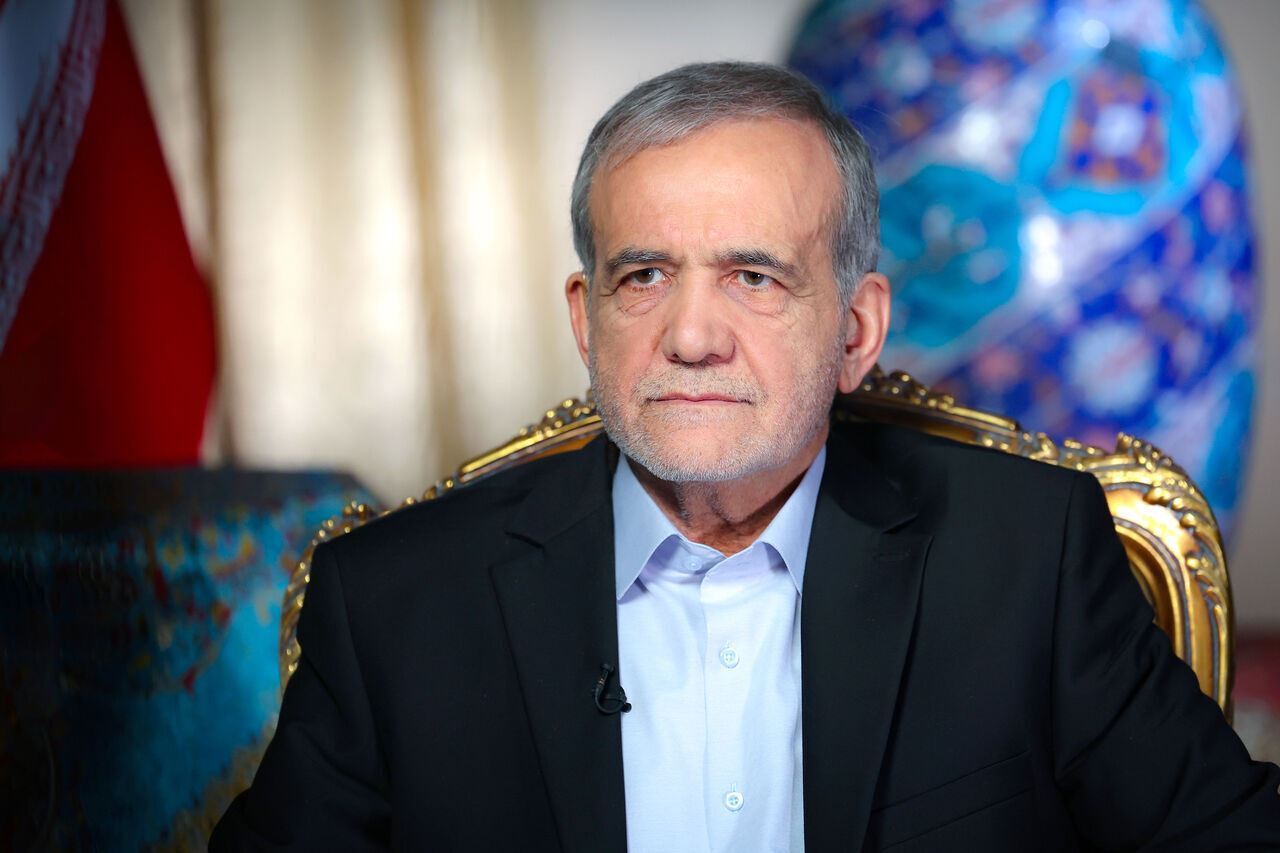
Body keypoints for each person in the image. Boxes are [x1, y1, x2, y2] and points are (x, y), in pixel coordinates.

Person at [212, 62, 1280, 851]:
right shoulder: (393, 603)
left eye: (753, 277)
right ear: (585, 319)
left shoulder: (1027, 557)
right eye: (643, 276)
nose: (689, 336)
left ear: (856, 331)